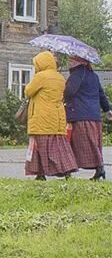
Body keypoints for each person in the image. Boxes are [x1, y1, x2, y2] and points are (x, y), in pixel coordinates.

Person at [24, 51, 79, 180]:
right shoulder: (60, 77)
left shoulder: (41, 77)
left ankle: (40, 173)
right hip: (57, 117)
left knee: (40, 147)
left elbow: (28, 91)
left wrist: (34, 78)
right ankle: (66, 169)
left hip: (42, 116)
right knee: (59, 146)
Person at [64, 55, 111, 180]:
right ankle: (98, 168)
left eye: (72, 59)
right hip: (94, 116)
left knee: (75, 144)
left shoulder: (77, 74)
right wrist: (107, 109)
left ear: (80, 61)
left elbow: (69, 92)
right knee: (92, 144)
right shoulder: (93, 75)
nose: (69, 61)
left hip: (80, 115)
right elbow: (101, 94)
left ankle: (70, 170)